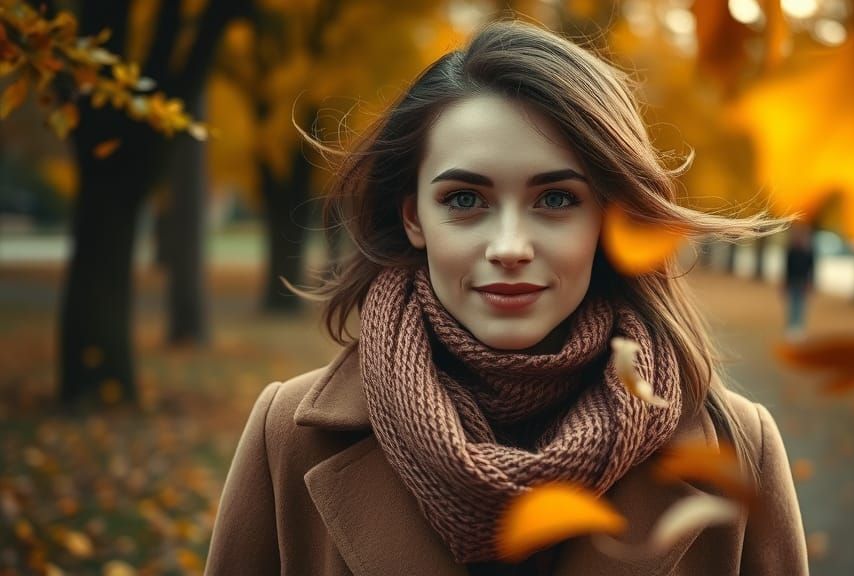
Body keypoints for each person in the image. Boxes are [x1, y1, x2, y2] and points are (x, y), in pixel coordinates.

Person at [205, 20, 808, 576]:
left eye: (556, 199)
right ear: (415, 218)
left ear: (609, 217)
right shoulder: (286, 435)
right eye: (465, 200)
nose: (510, 246)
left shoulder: (738, 447)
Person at [783, 222, 816, 341]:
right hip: (792, 282)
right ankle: (791, 328)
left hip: (802, 282)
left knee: (801, 306)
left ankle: (800, 329)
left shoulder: (808, 252)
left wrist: (810, 283)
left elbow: (812, 269)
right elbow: (787, 268)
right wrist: (785, 283)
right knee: (792, 306)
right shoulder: (791, 250)